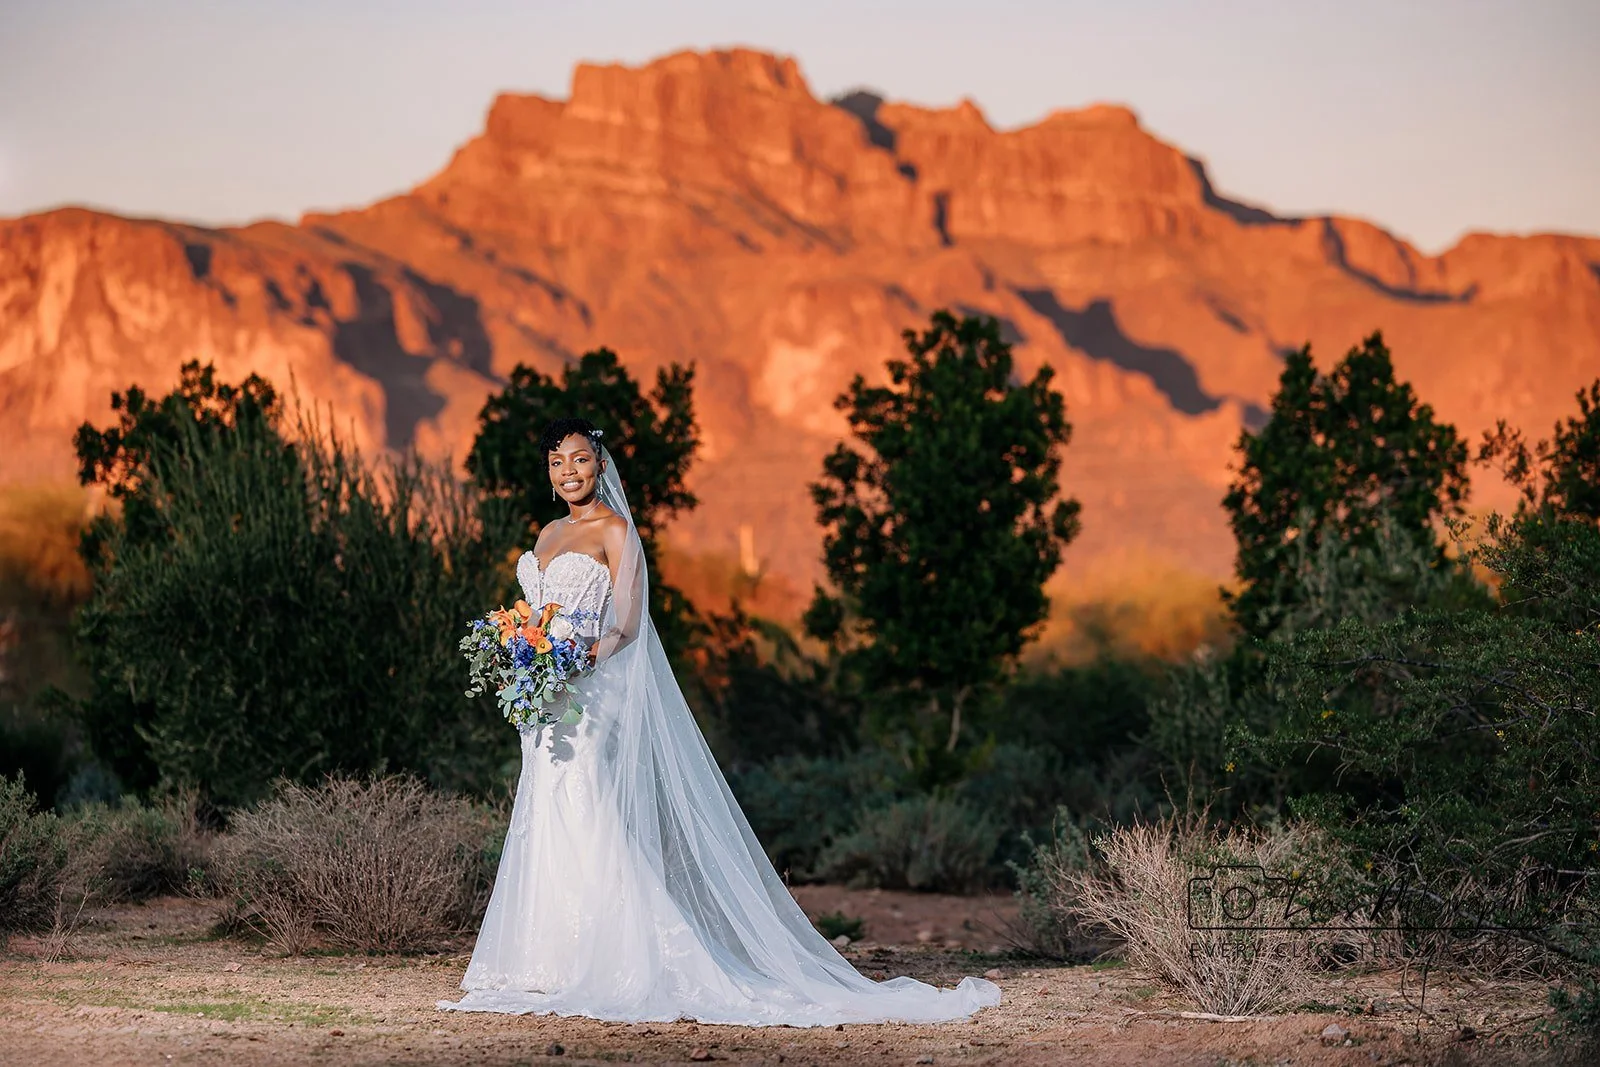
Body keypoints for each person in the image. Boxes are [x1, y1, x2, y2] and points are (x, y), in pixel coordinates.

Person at [439, 418, 1000, 1025]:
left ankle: (622, 957)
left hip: (592, 692)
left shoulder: (617, 530)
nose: (568, 472)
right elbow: (536, 612)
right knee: (545, 807)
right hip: (542, 696)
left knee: (587, 803)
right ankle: (543, 960)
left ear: (599, 465)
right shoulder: (547, 533)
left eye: (579, 459)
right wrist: (518, 651)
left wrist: (573, 658)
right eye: (556, 462)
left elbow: (627, 624)